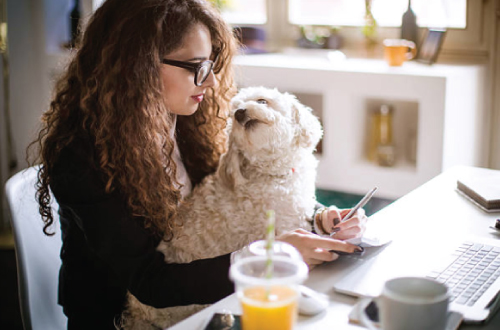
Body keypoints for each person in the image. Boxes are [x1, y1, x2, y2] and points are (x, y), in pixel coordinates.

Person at [29, 0, 366, 329]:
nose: (212, 82)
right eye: (196, 67)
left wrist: (319, 218)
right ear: (138, 66)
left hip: (198, 304)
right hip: (118, 316)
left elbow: (245, 189)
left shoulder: (189, 118)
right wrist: (265, 258)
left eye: (211, 65)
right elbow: (151, 282)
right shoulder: (82, 158)